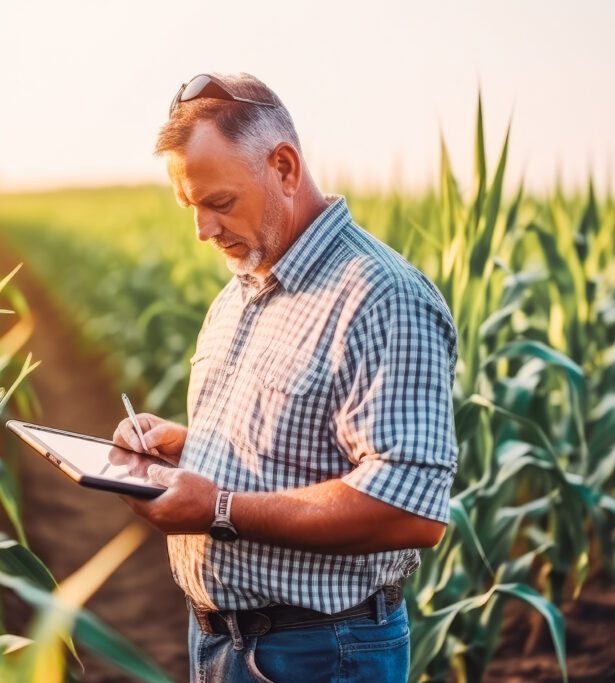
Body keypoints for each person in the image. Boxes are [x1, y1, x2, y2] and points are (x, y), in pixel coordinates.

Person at [113, 72, 459, 682]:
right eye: (190, 207)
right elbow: (288, 454)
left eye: (219, 203)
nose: (203, 231)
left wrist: (217, 507)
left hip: (322, 654)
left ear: (284, 167)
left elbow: (410, 509)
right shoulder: (240, 292)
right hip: (221, 644)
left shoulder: (381, 297)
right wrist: (188, 444)